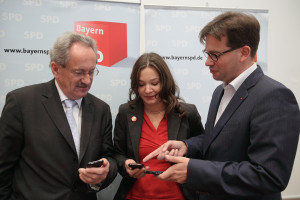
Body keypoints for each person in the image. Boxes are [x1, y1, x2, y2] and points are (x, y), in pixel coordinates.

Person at [143, 12, 300, 200]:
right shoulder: (221, 91)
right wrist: (186, 145)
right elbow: (216, 139)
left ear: (244, 52)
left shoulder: (274, 96)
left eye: (215, 55)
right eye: (207, 54)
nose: (207, 62)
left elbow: (269, 175)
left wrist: (194, 170)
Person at [0, 32, 117, 200]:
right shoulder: (22, 103)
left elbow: (110, 157)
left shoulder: (101, 109)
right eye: (79, 72)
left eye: (91, 72)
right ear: (55, 69)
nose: (87, 80)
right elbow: (3, 168)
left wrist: (106, 170)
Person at [113, 52, 204, 200]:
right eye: (141, 84)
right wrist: (126, 165)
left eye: (154, 83)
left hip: (178, 196)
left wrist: (185, 146)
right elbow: (117, 154)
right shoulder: (125, 112)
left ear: (165, 82)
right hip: (134, 195)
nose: (148, 90)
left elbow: (202, 147)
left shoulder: (187, 112)